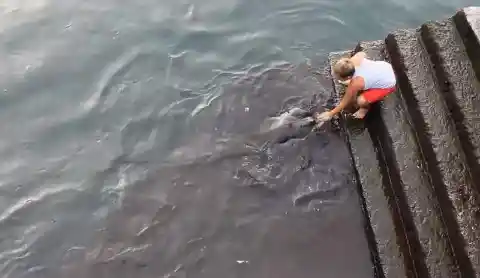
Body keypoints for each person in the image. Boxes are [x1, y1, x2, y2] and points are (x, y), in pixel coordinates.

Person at [315, 51, 397, 121]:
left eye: (338, 76)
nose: (336, 77)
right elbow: (362, 53)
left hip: (388, 85)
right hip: (385, 67)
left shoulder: (356, 84)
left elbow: (345, 102)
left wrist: (330, 114)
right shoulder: (353, 60)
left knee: (360, 100)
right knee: (362, 83)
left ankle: (365, 108)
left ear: (348, 77)